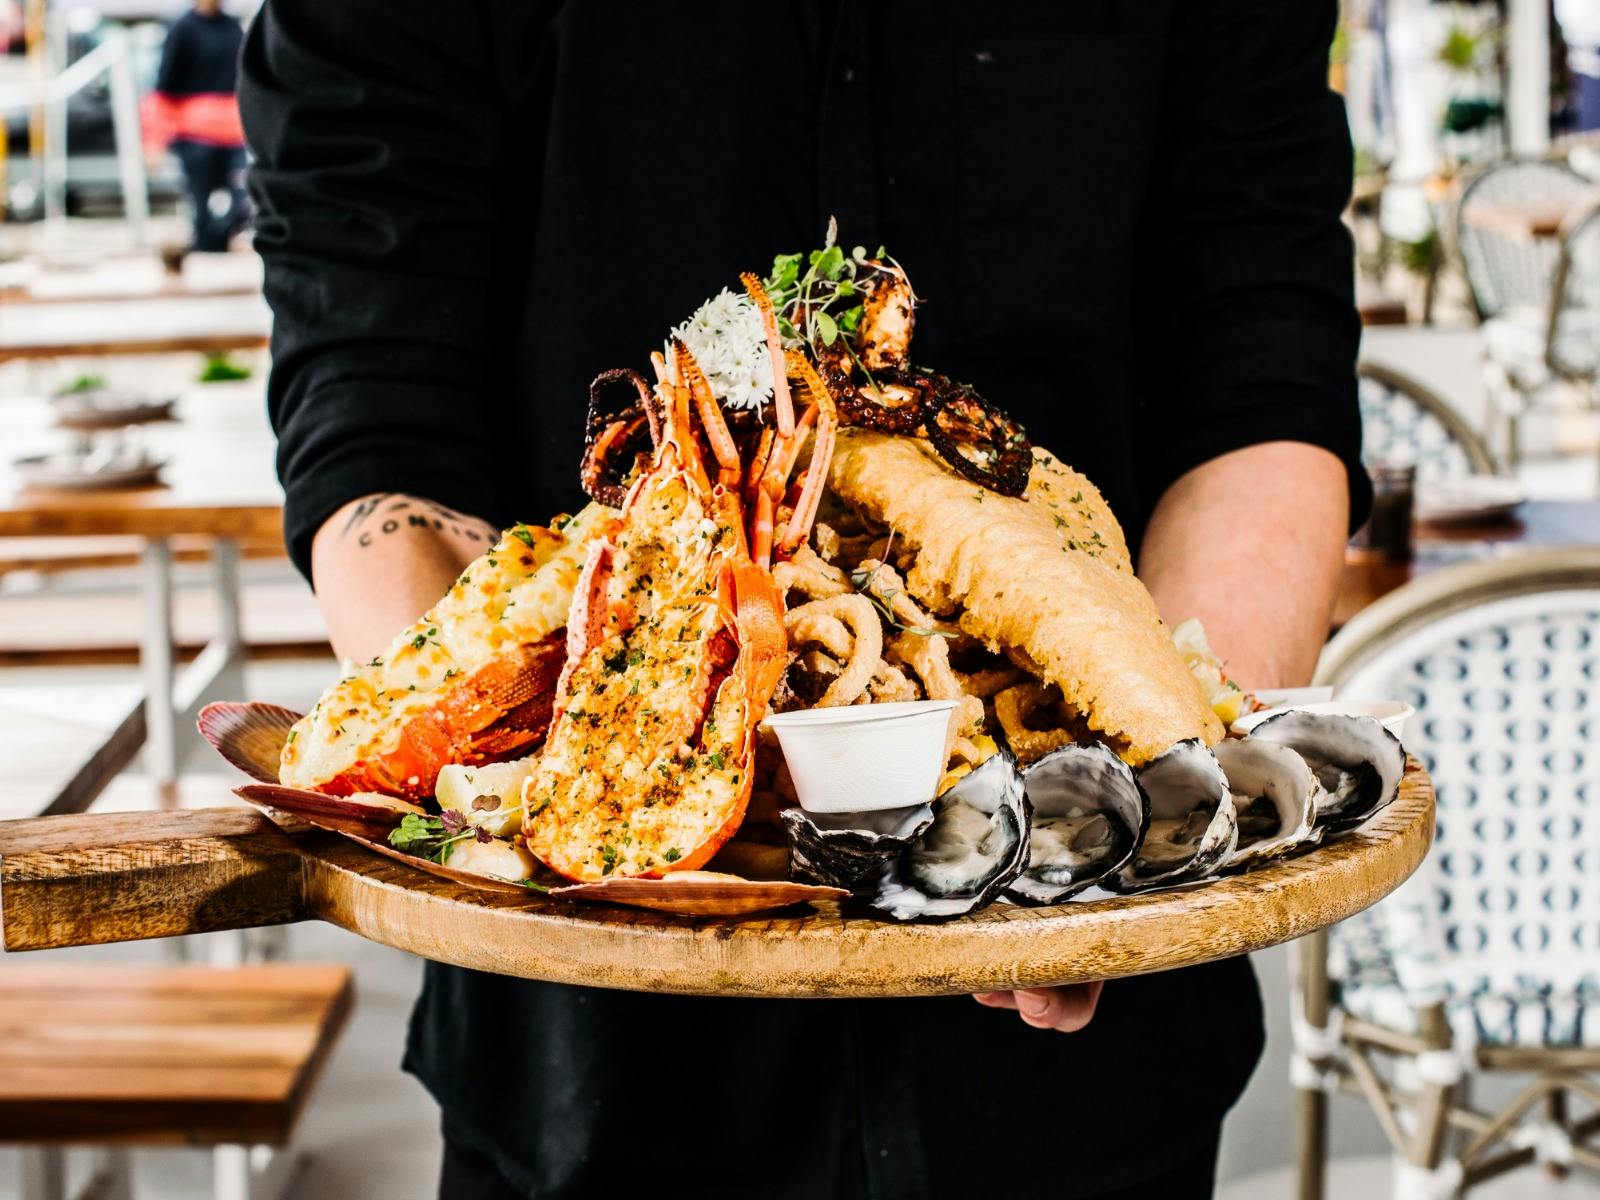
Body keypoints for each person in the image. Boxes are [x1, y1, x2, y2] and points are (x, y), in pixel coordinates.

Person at [240, 4, 1368, 1197]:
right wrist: (535, 799)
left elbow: (1263, 360)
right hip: (593, 1071)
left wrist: (1146, 834)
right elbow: (374, 378)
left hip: (1090, 1085)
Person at [144, 0, 247, 255]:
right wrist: (154, 138)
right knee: (200, 206)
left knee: (242, 201)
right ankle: (204, 251)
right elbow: (164, 87)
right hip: (195, 133)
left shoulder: (233, 27)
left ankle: (218, 244)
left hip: (233, 130)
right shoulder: (182, 28)